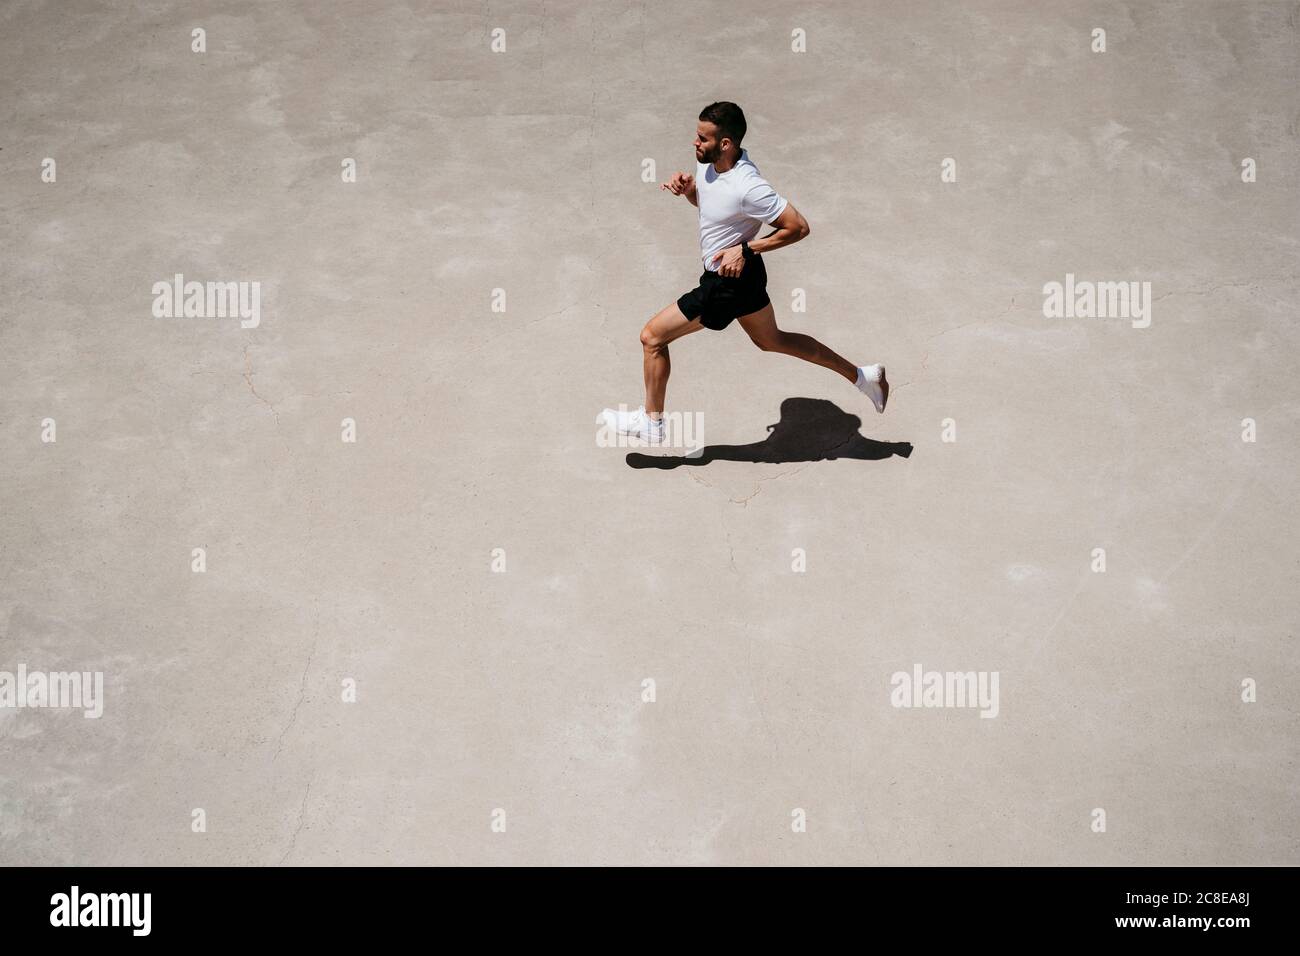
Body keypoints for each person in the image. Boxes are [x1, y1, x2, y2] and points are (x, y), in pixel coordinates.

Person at [600, 101, 888, 444]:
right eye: (696, 136)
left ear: (726, 143)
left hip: (727, 283)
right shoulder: (708, 164)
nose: (695, 143)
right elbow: (712, 207)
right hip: (745, 277)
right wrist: (689, 190)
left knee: (652, 337)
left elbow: (798, 227)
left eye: (702, 138)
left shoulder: (749, 186)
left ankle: (652, 422)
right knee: (773, 340)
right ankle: (862, 376)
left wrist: (747, 248)